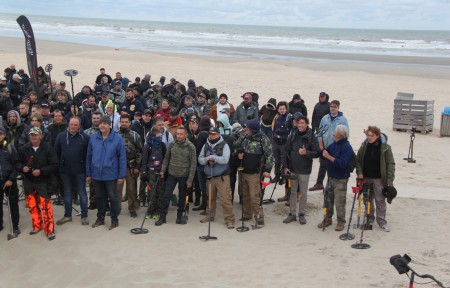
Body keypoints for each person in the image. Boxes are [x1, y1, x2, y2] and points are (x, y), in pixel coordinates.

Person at [16, 127, 59, 240]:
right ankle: (37, 226)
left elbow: (55, 165)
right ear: (29, 136)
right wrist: (22, 168)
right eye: (31, 135)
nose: (33, 137)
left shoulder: (48, 148)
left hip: (43, 182)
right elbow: (16, 163)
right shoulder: (23, 149)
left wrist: (41, 171)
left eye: (36, 135)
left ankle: (50, 230)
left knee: (46, 207)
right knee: (32, 206)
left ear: (41, 136)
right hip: (28, 181)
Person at [87, 116, 126, 230]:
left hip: (111, 174)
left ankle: (114, 220)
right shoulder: (94, 138)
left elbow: (122, 158)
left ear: (110, 125)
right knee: (99, 197)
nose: (102, 125)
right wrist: (89, 174)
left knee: (113, 197)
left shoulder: (117, 138)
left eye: (105, 123)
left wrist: (121, 175)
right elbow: (89, 157)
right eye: (101, 123)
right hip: (97, 174)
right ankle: (100, 219)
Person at [356, 126, 395, 232]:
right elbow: (358, 160)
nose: (369, 137)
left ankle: (381, 221)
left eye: (371, 135)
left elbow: (390, 164)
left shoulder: (385, 147)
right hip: (366, 178)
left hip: (379, 178)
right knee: (367, 200)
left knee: (380, 200)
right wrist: (359, 173)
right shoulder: (364, 146)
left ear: (377, 135)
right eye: (368, 135)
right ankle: (369, 219)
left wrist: (389, 181)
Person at [155, 126, 197, 226]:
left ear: (185, 135)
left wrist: (190, 180)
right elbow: (166, 159)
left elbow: (193, 164)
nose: (178, 136)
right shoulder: (172, 144)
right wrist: (162, 170)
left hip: (184, 175)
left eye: (180, 134)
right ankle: (162, 217)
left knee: (182, 197)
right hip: (171, 174)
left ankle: (179, 216)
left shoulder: (191, 147)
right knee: (166, 195)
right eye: (177, 134)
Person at [235, 119, 273, 226]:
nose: (245, 129)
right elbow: (236, 145)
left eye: (247, 127)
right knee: (245, 194)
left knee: (254, 195)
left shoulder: (263, 139)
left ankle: (259, 216)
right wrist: (239, 153)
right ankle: (247, 214)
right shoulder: (244, 136)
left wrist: (267, 170)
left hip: (255, 173)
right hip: (243, 170)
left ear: (253, 129)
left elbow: (270, 155)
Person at [282, 116, 320, 224]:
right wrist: (285, 166)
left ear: (307, 124)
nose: (300, 125)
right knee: (292, 192)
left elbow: (317, 153)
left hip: (305, 170)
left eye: (302, 123)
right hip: (292, 169)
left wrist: (306, 153)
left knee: (303, 193)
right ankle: (292, 214)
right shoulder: (292, 134)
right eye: (299, 123)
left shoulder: (312, 135)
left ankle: (302, 214)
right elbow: (286, 151)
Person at [54, 116, 90, 226]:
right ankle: (67, 215)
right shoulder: (61, 137)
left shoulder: (85, 137)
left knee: (82, 193)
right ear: (68, 124)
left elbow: (88, 155)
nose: (73, 126)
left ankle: (84, 215)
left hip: (80, 171)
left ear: (79, 126)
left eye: (75, 125)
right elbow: (56, 153)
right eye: (71, 124)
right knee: (68, 193)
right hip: (65, 171)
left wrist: (87, 172)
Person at [317, 125, 354, 232]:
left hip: (341, 179)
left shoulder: (347, 147)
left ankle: (341, 222)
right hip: (331, 177)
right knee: (328, 199)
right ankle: (328, 219)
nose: (333, 133)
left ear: (340, 135)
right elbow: (324, 153)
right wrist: (321, 149)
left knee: (339, 202)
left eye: (335, 132)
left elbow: (343, 163)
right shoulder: (334, 144)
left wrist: (329, 157)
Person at [198, 126, 235, 229]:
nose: (211, 136)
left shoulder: (224, 145)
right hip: (209, 176)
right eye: (210, 134)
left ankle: (229, 220)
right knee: (210, 198)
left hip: (222, 177)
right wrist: (205, 160)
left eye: (213, 134)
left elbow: (225, 160)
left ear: (218, 134)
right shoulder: (205, 145)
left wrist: (213, 157)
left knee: (225, 199)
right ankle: (210, 215)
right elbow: (200, 159)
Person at [310, 99, 349, 191]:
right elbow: (319, 131)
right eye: (331, 106)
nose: (333, 108)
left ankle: (330, 185)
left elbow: (346, 134)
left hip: (336, 147)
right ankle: (319, 183)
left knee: (332, 166)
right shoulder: (325, 118)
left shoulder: (343, 120)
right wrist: (320, 142)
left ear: (338, 108)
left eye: (335, 107)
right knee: (322, 165)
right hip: (324, 146)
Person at [117, 115, 142, 218]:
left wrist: (137, 166)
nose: (123, 123)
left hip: (131, 166)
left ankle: (132, 208)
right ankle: (116, 208)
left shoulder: (135, 135)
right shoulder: (115, 135)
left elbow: (140, 152)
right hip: (118, 166)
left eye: (126, 122)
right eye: (122, 122)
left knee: (131, 189)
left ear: (129, 123)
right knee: (117, 189)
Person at [140, 127, 166, 219]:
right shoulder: (148, 146)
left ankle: (157, 211)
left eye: (161, 136)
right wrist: (143, 173)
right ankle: (150, 211)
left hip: (160, 172)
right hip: (151, 172)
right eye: (158, 136)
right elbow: (144, 161)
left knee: (160, 191)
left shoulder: (162, 145)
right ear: (153, 136)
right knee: (151, 192)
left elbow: (165, 159)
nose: (160, 137)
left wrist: (164, 171)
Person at [0, 126, 20, 235]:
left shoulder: (10, 148)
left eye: (0, 134)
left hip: (9, 180)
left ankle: (15, 226)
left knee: (13, 203)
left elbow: (16, 164)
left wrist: (11, 179)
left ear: (4, 135)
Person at [84, 111, 102, 210]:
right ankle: (93, 202)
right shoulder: (86, 132)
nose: (96, 120)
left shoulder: (104, 131)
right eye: (94, 118)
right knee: (92, 184)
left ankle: (104, 204)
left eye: (98, 118)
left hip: (102, 162)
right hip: (91, 162)